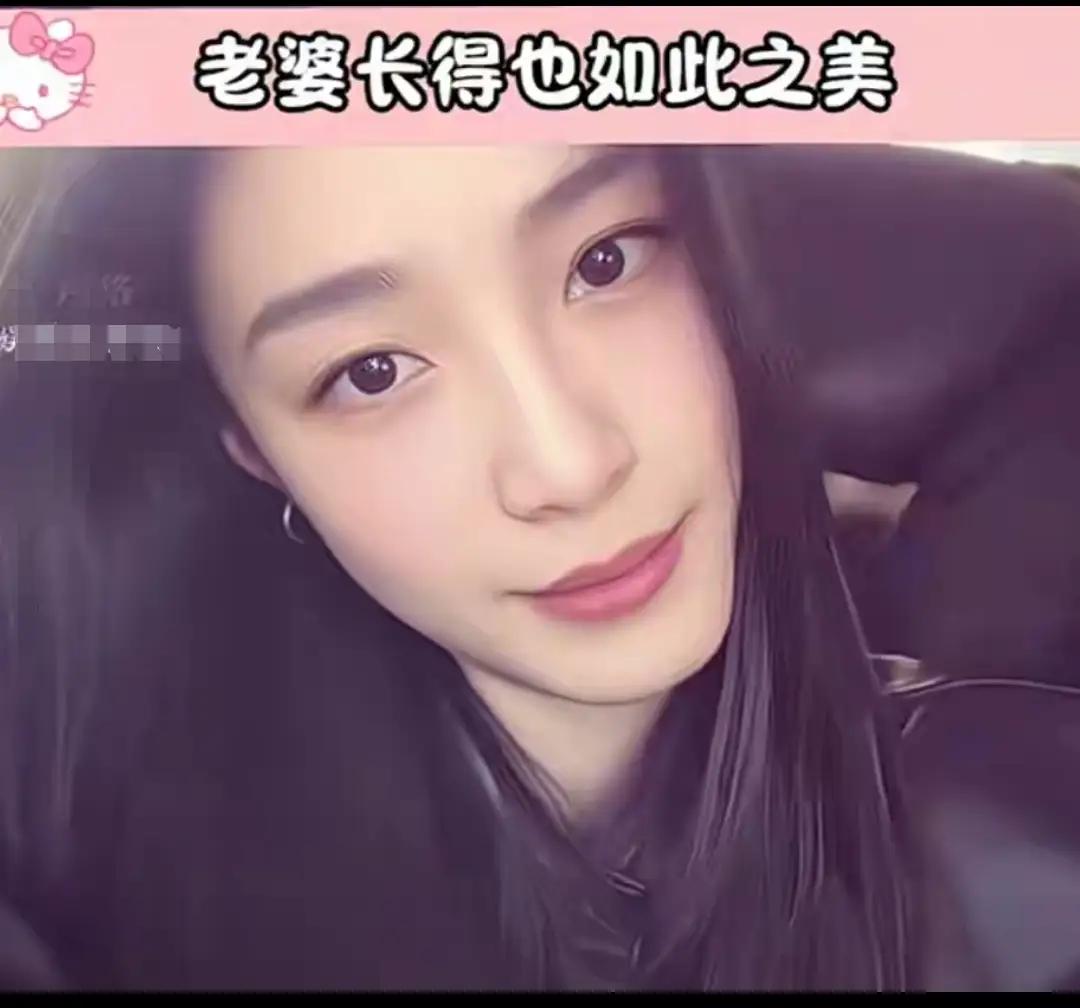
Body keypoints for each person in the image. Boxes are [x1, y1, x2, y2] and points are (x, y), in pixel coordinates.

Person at [1, 144, 1078, 992]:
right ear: (258, 452)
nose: (569, 464)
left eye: (606, 261)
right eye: (372, 372)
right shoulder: (94, 901)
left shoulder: (1005, 849)